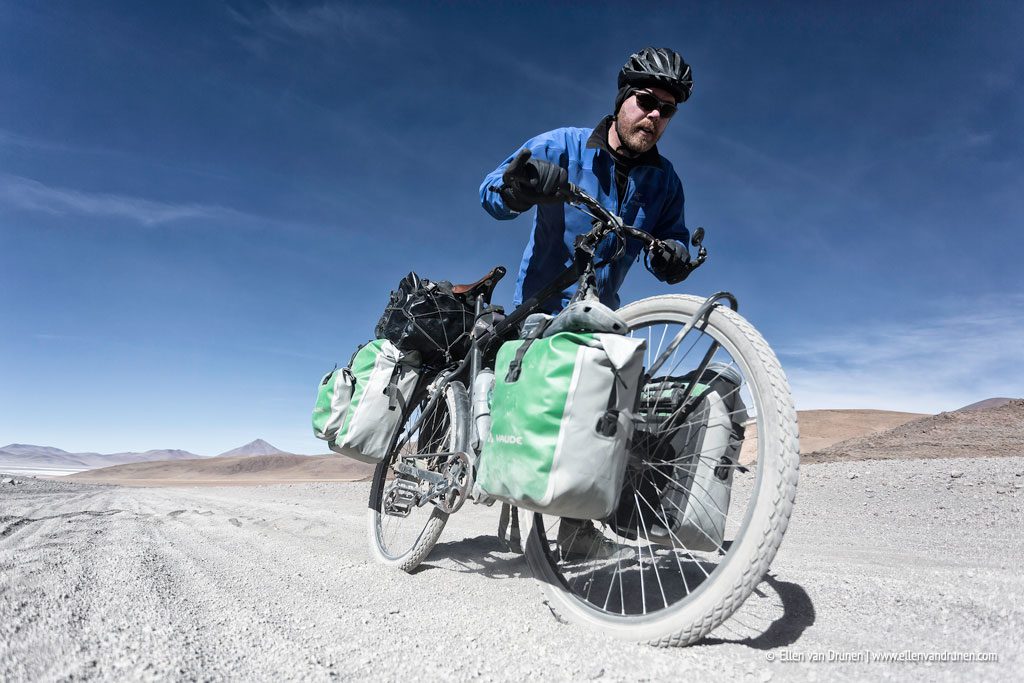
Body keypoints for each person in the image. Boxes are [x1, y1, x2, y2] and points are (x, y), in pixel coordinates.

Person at [479, 47, 696, 559]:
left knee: (608, 411)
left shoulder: (665, 182)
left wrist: (674, 257)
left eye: (667, 109)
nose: (655, 115)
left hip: (602, 311)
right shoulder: (565, 145)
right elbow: (490, 191)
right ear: (623, 99)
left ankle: (577, 528)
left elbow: (675, 237)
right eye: (646, 101)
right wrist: (522, 187)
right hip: (540, 303)